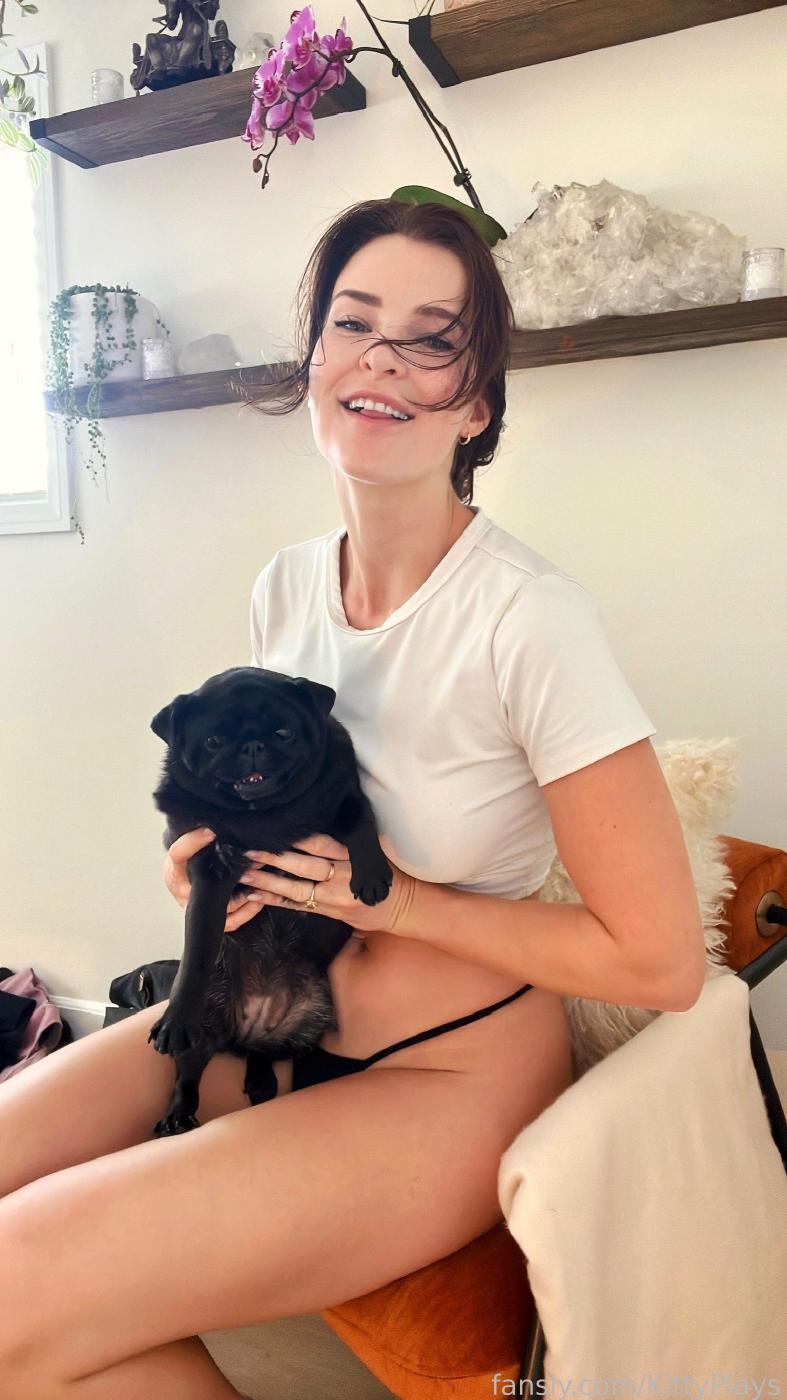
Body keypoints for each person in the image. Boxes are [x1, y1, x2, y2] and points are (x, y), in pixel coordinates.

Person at [0, 199, 706, 1397]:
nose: (382, 357)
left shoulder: (526, 617)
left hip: (444, 1081)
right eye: (354, 323)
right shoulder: (287, 587)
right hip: (268, 1019)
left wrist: (403, 904)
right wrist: (205, 859)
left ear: (476, 403)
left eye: (432, 339)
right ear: (315, 359)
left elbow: (659, 961)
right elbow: (259, 798)